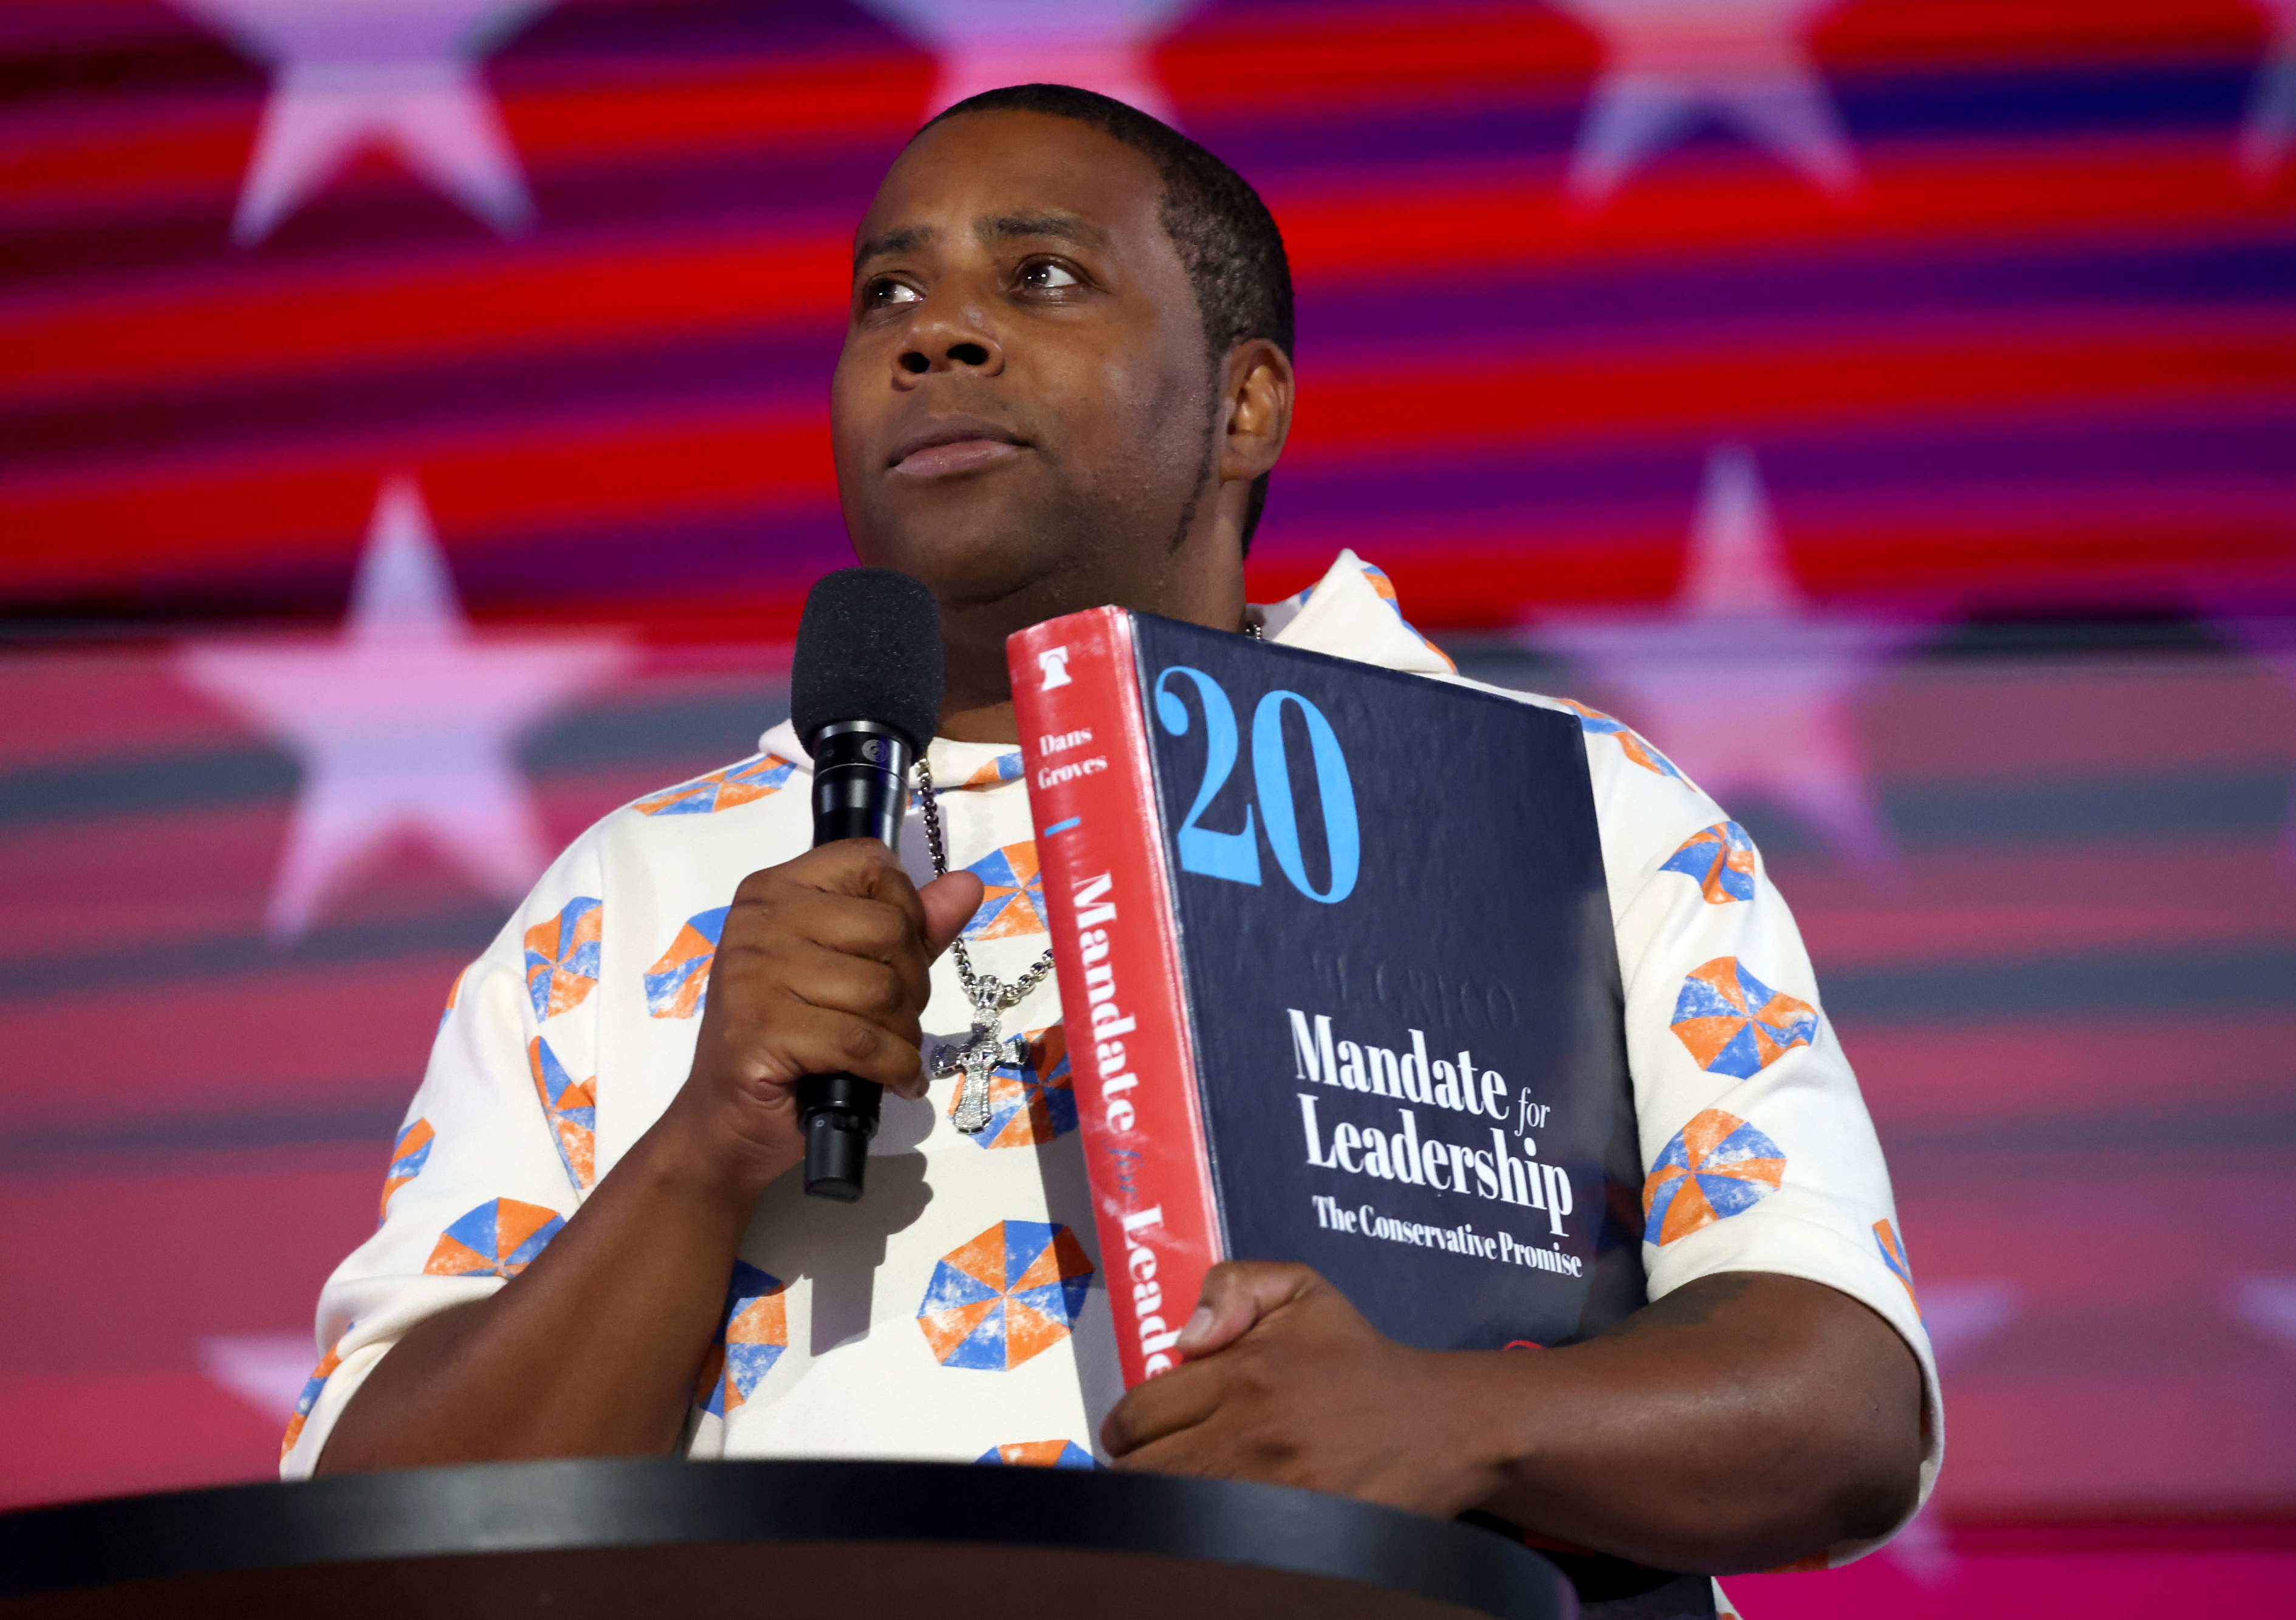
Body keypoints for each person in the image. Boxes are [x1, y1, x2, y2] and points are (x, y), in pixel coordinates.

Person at [285, 83, 1939, 1605]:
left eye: (1042, 278)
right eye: (889, 293)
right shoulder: (632, 891)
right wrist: (700, 1149)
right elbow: (375, 1543)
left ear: (1246, 404)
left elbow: (1841, 1400)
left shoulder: (1564, 813)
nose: (936, 335)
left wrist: (1451, 1419)